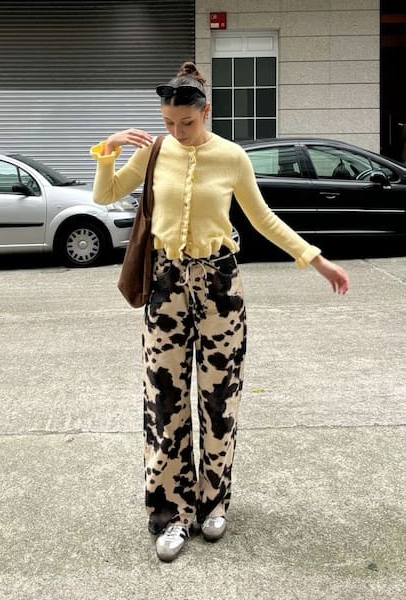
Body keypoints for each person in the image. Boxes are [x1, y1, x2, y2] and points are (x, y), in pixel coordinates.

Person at [90, 61, 350, 563]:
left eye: (186, 122)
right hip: (166, 286)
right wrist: (110, 148)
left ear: (206, 112)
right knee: (164, 401)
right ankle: (172, 512)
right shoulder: (154, 152)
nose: (177, 131)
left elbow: (263, 218)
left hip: (220, 287)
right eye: (168, 122)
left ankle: (213, 502)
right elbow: (106, 194)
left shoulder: (232, 157)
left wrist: (316, 260)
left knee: (219, 399)